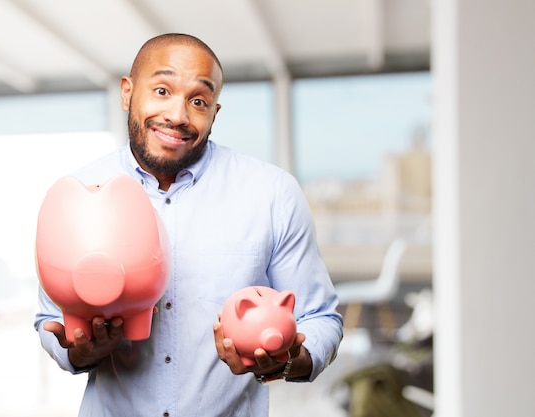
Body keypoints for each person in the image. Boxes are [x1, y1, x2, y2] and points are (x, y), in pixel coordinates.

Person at [34, 33, 343, 417]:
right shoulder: (76, 194)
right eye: (162, 90)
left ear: (214, 111)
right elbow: (51, 318)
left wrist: (284, 361)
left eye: (198, 100)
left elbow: (320, 318)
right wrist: (80, 352)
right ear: (127, 93)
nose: (178, 116)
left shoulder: (272, 194)